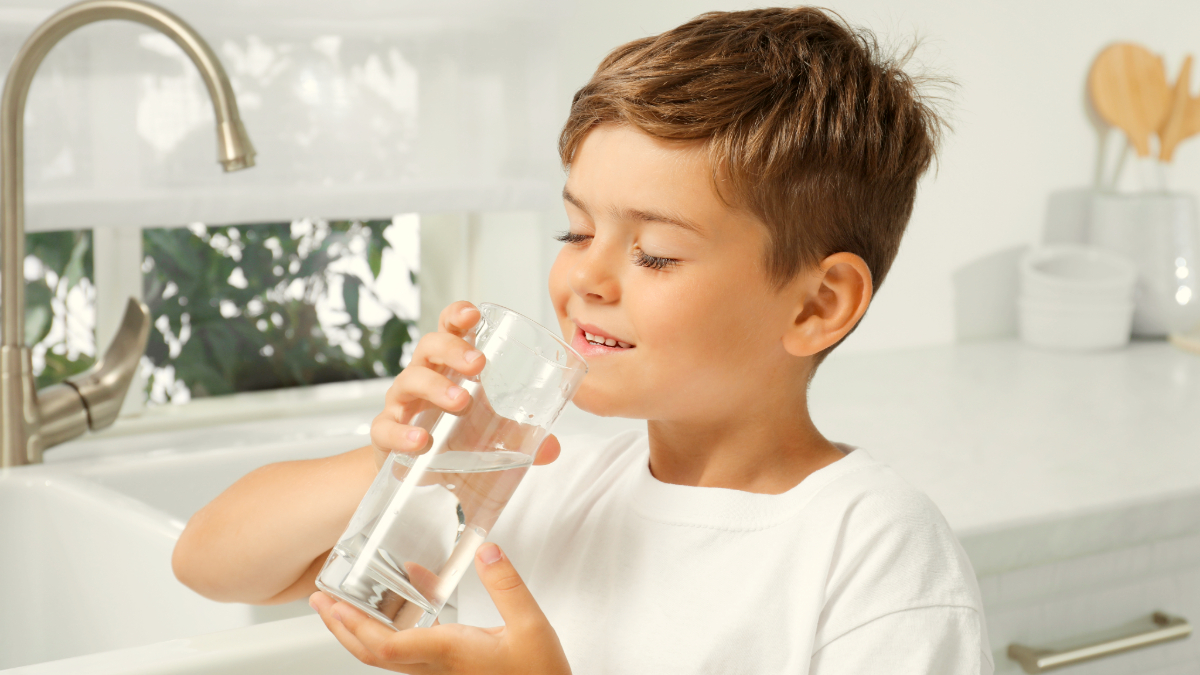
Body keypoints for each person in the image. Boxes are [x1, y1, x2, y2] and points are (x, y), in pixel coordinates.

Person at [172, 7, 994, 674]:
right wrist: (410, 459)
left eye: (655, 252)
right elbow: (211, 562)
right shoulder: (535, 482)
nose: (586, 279)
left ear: (817, 304)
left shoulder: (870, 550)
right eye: (575, 231)